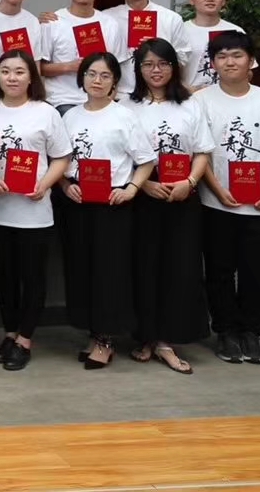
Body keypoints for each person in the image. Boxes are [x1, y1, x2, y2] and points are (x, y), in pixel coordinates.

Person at [197, 31, 260, 365]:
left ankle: (251, 332)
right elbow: (201, 152)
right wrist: (216, 188)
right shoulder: (202, 101)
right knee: (219, 271)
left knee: (258, 272)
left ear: (251, 60)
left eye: (237, 55)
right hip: (216, 204)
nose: (229, 62)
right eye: (222, 56)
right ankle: (225, 332)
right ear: (213, 63)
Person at [58, 51, 156, 369]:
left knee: (109, 272)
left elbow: (146, 161)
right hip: (77, 201)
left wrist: (131, 189)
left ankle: (106, 340)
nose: (97, 81)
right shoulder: (70, 116)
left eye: (104, 75)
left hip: (112, 204)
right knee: (81, 269)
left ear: (115, 81)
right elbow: (59, 159)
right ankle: (93, 332)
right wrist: (65, 185)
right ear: (82, 78)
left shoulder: (124, 116)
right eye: (91, 74)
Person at [122, 39, 212, 373]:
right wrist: (143, 184)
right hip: (143, 193)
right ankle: (146, 337)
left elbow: (202, 151)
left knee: (179, 267)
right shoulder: (127, 107)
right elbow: (119, 156)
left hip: (182, 193)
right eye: (147, 64)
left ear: (174, 67)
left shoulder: (190, 104)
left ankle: (166, 341)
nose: (155, 70)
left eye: (162, 63)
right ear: (138, 69)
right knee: (144, 267)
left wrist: (189, 182)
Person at [0, 50, 71, 371]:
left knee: (32, 277)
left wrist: (45, 184)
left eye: (19, 71)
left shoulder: (46, 113)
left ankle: (25, 339)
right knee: (5, 276)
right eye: (5, 71)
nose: (12, 77)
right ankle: (9, 334)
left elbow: (62, 157)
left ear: (31, 76)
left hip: (34, 211)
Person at [39, 0, 124, 114]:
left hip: (101, 101)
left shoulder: (110, 24)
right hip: (63, 101)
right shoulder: (52, 22)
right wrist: (70, 66)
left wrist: (109, 101)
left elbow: (116, 69)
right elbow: (40, 68)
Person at [104, 0, 192, 96]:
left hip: (161, 95)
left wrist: (159, 49)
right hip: (122, 94)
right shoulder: (107, 19)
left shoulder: (170, 18)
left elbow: (183, 57)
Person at [181, 0, 243, 90]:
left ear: (223, 0)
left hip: (226, 96)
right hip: (190, 97)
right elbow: (168, 71)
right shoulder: (180, 31)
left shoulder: (235, 31)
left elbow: (248, 72)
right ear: (191, 0)